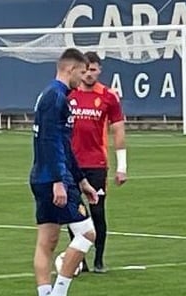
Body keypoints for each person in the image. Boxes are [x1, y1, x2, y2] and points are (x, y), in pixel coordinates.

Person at [30, 48, 99, 296]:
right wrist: (60, 181)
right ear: (70, 69)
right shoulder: (56, 97)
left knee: (47, 241)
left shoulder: (52, 96)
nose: (83, 79)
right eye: (82, 72)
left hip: (46, 176)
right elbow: (49, 142)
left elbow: (64, 144)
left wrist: (82, 180)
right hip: (53, 179)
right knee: (88, 234)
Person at [66, 51, 127, 273]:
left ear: (99, 70)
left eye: (93, 70)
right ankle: (79, 259)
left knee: (98, 211)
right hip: (72, 164)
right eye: (86, 70)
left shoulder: (108, 96)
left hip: (96, 164)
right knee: (74, 212)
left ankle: (99, 259)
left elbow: (118, 129)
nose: (89, 74)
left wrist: (122, 167)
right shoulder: (68, 95)